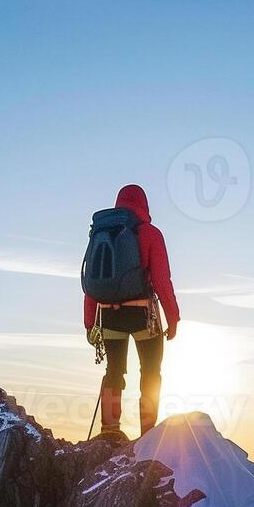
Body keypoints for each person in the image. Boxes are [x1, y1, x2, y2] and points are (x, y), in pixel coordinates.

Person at [84, 184, 179, 438]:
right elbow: (162, 280)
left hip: (108, 315)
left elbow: (91, 281)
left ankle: (109, 429)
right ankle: (148, 435)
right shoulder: (150, 233)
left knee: (113, 371)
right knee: (150, 372)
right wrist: (173, 318)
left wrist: (89, 322)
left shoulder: (100, 233)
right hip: (143, 316)